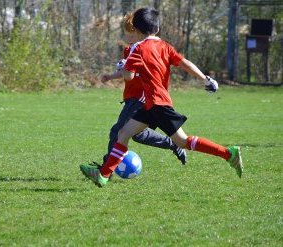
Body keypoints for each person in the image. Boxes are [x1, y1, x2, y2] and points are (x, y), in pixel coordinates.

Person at [80, 7, 243, 187]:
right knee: (123, 133)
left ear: (136, 29)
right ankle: (103, 175)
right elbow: (185, 64)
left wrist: (124, 68)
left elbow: (129, 76)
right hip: (150, 104)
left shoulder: (138, 48)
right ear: (156, 29)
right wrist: (205, 79)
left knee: (182, 141)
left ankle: (228, 153)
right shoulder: (164, 46)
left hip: (157, 104)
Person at [98, 12, 186, 169]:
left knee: (117, 132)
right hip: (132, 96)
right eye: (126, 35)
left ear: (140, 32)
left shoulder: (144, 49)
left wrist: (125, 69)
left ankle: (106, 169)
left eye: (131, 35)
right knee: (138, 134)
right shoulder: (129, 50)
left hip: (140, 97)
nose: (129, 38)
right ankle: (173, 143)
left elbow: (138, 73)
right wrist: (112, 76)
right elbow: (128, 72)